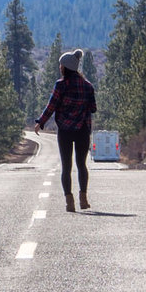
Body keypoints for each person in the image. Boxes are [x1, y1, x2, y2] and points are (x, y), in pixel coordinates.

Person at [35, 48, 97, 212]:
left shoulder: (60, 85)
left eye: (60, 65)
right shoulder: (88, 86)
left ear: (64, 67)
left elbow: (51, 106)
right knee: (82, 165)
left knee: (66, 166)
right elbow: (93, 108)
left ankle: (70, 202)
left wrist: (41, 122)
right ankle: (83, 199)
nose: (59, 67)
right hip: (83, 129)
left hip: (65, 130)